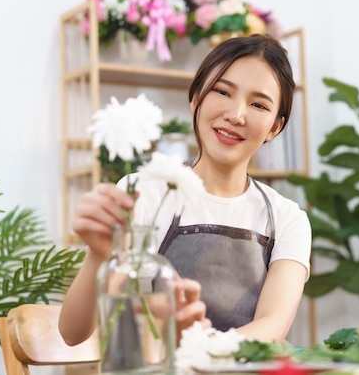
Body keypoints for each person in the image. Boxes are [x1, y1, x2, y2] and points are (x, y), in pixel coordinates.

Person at [59, 34, 311, 346]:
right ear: (196, 98)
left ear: (275, 126)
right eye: (222, 91)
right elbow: (73, 333)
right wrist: (100, 255)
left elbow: (272, 329)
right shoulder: (143, 193)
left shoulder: (287, 218)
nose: (236, 115)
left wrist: (198, 347)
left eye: (258, 104)